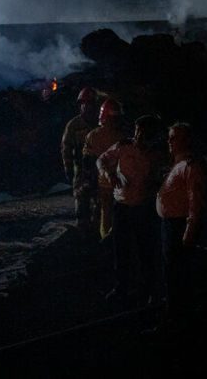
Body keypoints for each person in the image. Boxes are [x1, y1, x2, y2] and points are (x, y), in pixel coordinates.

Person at [97, 114, 167, 306]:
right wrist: (109, 173)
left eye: (143, 133)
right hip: (122, 207)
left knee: (145, 250)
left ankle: (148, 288)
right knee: (121, 249)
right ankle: (121, 287)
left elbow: (161, 177)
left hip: (143, 207)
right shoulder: (124, 146)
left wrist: (155, 185)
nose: (139, 136)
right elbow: (101, 160)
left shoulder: (155, 154)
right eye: (137, 131)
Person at [153, 122, 206, 331]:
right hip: (171, 225)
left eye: (174, 137)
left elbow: (196, 202)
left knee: (177, 276)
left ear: (185, 140)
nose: (169, 142)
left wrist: (189, 233)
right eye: (170, 137)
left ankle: (177, 318)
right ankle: (178, 314)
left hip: (178, 227)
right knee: (173, 274)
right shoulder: (180, 163)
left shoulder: (191, 166)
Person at [83, 98, 126, 240]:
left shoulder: (93, 135)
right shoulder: (124, 136)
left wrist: (89, 182)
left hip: (103, 183)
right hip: (122, 183)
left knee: (105, 213)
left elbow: (87, 161)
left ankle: (105, 240)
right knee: (121, 214)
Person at [61, 87, 101, 231]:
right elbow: (66, 148)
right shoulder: (74, 125)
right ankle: (83, 229)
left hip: (100, 169)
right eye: (83, 103)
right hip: (81, 170)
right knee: (82, 201)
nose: (85, 106)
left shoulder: (102, 122)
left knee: (100, 202)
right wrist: (69, 169)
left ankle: (98, 230)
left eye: (89, 103)